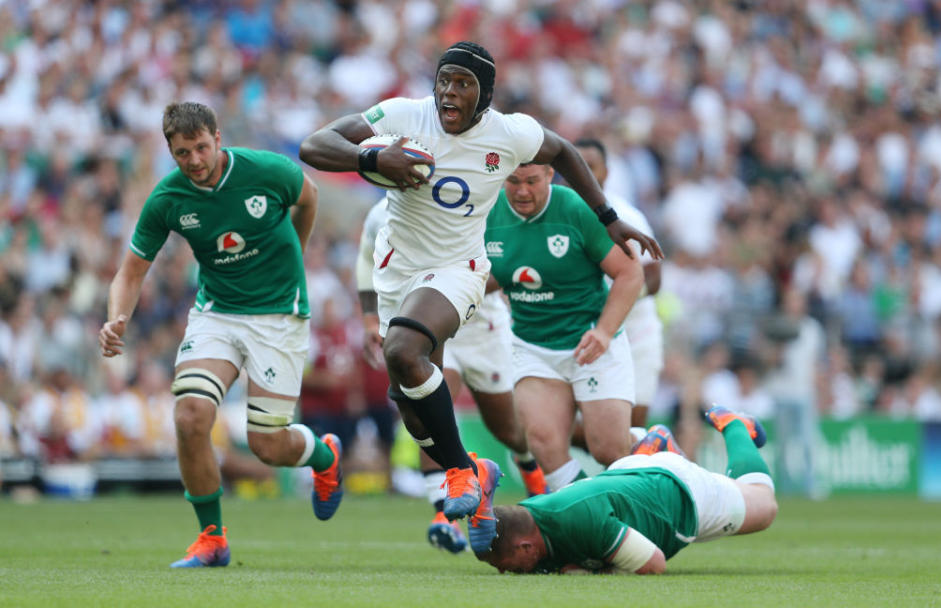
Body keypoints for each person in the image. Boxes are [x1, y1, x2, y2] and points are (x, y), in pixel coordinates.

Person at [299, 41, 661, 552]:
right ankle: (472, 472)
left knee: (405, 350)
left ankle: (462, 474)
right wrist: (374, 155)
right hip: (396, 271)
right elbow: (314, 145)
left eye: (463, 83)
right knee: (407, 397)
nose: (449, 90)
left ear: (484, 95)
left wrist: (607, 216)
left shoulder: (509, 133)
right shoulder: (403, 115)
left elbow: (564, 152)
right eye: (444, 79)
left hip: (459, 269)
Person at [98, 102, 344, 568]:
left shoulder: (267, 170)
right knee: (191, 416)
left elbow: (308, 196)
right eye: (181, 153)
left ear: (217, 136)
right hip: (218, 313)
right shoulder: (168, 198)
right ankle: (212, 538)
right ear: (170, 151)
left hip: (279, 313)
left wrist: (297, 250)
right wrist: (116, 318)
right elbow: (130, 272)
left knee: (267, 445)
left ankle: (324, 456)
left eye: (201, 147)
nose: (193, 160)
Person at [355, 198, 547, 555]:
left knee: (505, 426)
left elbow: (505, 262)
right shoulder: (380, 213)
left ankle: (533, 477)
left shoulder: (465, 197)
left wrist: (458, 282)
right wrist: (370, 317)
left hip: (481, 326)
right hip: (427, 330)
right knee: (426, 408)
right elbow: (367, 256)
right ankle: (445, 513)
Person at [485, 163, 646, 490]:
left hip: (589, 342)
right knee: (543, 441)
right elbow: (486, 276)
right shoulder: (488, 213)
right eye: (513, 181)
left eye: (531, 181)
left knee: (608, 450)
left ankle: (653, 444)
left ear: (549, 174)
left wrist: (603, 331)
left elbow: (631, 273)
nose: (522, 190)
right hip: (532, 344)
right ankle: (589, 514)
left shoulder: (574, 208)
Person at [477, 406, 778, 574]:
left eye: (503, 566)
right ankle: (649, 448)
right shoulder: (529, 517)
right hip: (627, 473)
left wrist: (590, 572)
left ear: (526, 548)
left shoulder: (582, 522)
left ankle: (734, 425)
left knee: (764, 505)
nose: (504, 573)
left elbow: (654, 563)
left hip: (680, 491)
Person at [574, 138, 663, 429]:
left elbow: (654, 277)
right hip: (583, 335)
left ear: (606, 173)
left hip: (636, 334)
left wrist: (616, 299)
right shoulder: (558, 214)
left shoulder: (625, 216)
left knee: (633, 428)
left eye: (592, 167)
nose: (585, 174)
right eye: (579, 167)